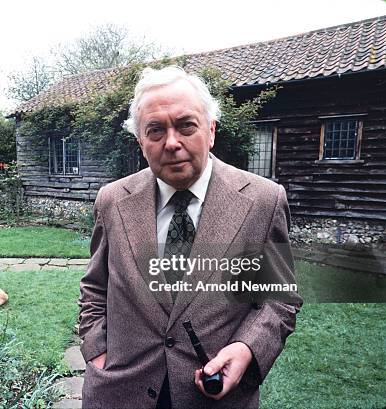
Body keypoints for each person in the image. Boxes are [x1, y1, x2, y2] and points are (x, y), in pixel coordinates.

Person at [78, 66, 302, 409]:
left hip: (214, 398)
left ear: (210, 131)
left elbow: (278, 299)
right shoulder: (112, 201)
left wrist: (246, 349)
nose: (171, 142)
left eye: (186, 125)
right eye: (155, 130)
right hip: (119, 392)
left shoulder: (263, 201)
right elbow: (95, 286)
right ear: (141, 143)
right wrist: (97, 349)